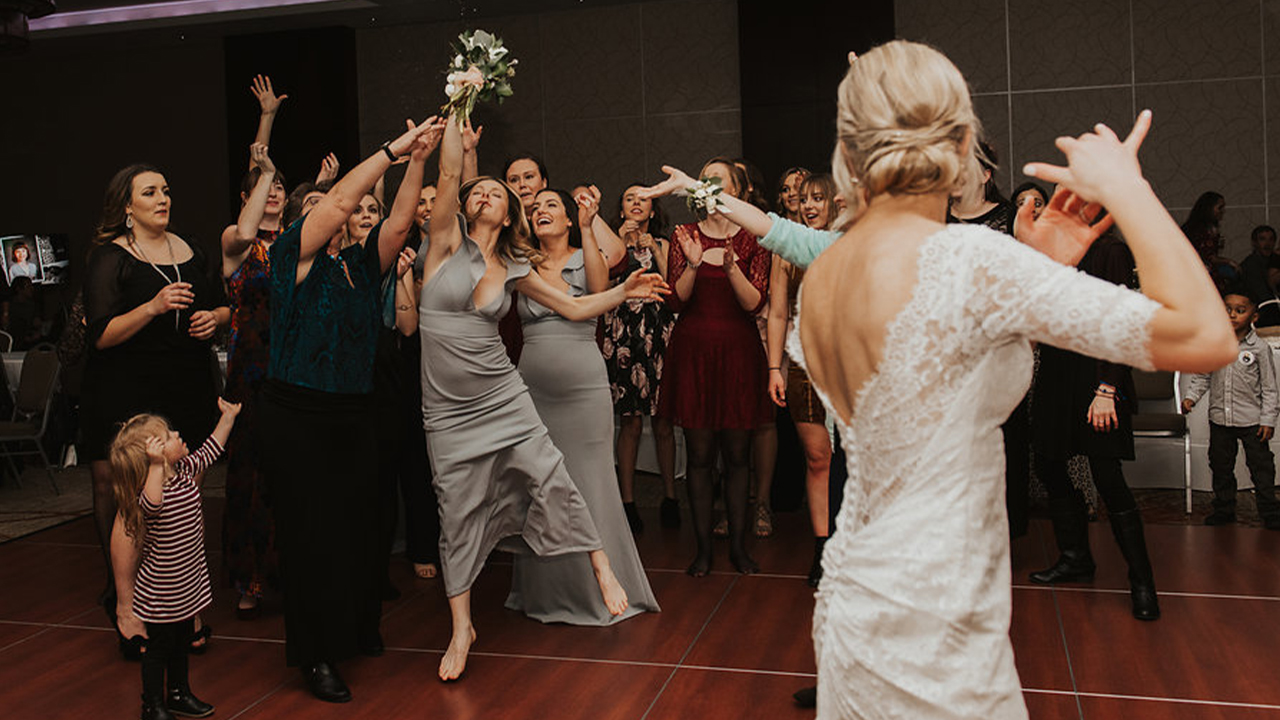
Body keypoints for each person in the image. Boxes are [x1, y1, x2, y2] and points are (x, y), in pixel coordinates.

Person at [794, 41, 1234, 717]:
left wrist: (1033, 272)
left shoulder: (826, 271)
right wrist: (1128, 190)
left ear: (848, 152)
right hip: (938, 616)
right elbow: (1208, 337)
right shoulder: (969, 261)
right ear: (965, 140)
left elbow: (934, 380)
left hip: (856, 597)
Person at [418, 116, 668, 681]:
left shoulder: (515, 266)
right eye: (478, 191)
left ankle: (602, 566)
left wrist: (625, 290)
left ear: (511, 214)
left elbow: (578, 308)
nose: (483, 194)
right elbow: (452, 168)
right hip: (448, 408)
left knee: (552, 474)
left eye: (496, 194)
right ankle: (462, 628)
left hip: (503, 394)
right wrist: (461, 104)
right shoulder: (445, 242)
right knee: (454, 509)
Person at [257, 116, 442, 703]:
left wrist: (418, 161)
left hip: (355, 410)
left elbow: (399, 222)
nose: (334, 212)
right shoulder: (291, 259)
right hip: (298, 413)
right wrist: (392, 149)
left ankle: (360, 626)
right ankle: (315, 655)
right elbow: (341, 200)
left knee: (361, 526)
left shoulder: (358, 266)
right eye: (316, 209)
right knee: (313, 535)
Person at [84, 164, 230, 658]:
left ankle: (184, 605)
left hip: (184, 383)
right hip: (128, 388)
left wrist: (215, 318)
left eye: (166, 189)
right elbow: (100, 335)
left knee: (183, 495)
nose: (163, 198)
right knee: (133, 499)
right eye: (150, 192)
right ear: (127, 207)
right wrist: (152, 306)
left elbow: (223, 305)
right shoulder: (110, 258)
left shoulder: (191, 248)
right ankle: (127, 607)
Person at [506, 187, 660, 625]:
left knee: (590, 478)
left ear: (570, 218)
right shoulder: (522, 264)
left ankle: (601, 586)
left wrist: (591, 226)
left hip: (583, 385)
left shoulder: (583, 248)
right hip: (532, 384)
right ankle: (545, 592)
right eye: (535, 208)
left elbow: (597, 290)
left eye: (551, 205)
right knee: (541, 481)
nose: (542, 211)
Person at [1027, 229, 1162, 622]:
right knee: (1048, 463)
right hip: (1056, 371)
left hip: (1097, 374)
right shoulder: (1052, 251)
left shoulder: (1110, 251)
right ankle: (1075, 558)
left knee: (1107, 477)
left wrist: (1106, 388)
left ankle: (1142, 583)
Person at [659, 157, 772, 576]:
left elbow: (755, 303)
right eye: (704, 178)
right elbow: (675, 301)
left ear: (737, 192)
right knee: (701, 454)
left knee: (738, 455)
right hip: (694, 354)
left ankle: (739, 549)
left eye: (718, 180)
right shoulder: (683, 234)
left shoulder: (753, 238)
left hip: (739, 353)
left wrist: (731, 268)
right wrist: (691, 263)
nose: (707, 184)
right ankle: (704, 550)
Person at [109, 397, 240, 720]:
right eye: (167, 436)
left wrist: (228, 418)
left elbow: (211, 450)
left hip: (186, 586)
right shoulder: (150, 491)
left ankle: (179, 693)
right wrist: (155, 466)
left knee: (181, 645)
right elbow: (152, 506)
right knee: (158, 651)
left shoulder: (184, 471)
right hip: (161, 593)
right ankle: (152, 704)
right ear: (154, 454)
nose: (177, 434)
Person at [219, 142, 286, 619]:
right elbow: (245, 229)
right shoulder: (237, 239)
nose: (276, 191)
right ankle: (250, 579)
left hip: (292, 364)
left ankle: (292, 573)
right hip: (249, 367)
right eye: (267, 186)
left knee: (290, 473)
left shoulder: (298, 237)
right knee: (250, 475)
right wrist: (262, 169)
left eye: (281, 185)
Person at [766, 173, 835, 587]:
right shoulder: (787, 250)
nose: (810, 205)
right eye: (805, 199)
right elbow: (777, 312)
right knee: (817, 457)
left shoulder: (849, 240)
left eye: (818, 198)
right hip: (804, 366)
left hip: (851, 366)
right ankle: (823, 548)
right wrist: (775, 367)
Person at [603, 183, 679, 532]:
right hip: (624, 339)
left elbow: (675, 289)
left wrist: (657, 252)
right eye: (629, 198)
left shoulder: (663, 244)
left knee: (663, 423)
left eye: (643, 200)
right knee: (631, 422)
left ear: (653, 211)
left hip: (659, 337)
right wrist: (619, 243)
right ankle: (627, 502)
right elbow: (600, 286)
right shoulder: (611, 244)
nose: (636, 203)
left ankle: (670, 497)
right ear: (621, 210)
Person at [1182, 290, 1280, 530]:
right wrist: (1191, 398)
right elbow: (1203, 376)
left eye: (1240, 310)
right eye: (1227, 309)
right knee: (1220, 466)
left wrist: (1268, 420)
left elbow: (1269, 388)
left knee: (1261, 468)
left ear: (1253, 316)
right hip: (1220, 420)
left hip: (1252, 422)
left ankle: (1270, 512)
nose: (1233, 315)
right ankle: (1224, 508)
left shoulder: (1259, 349)